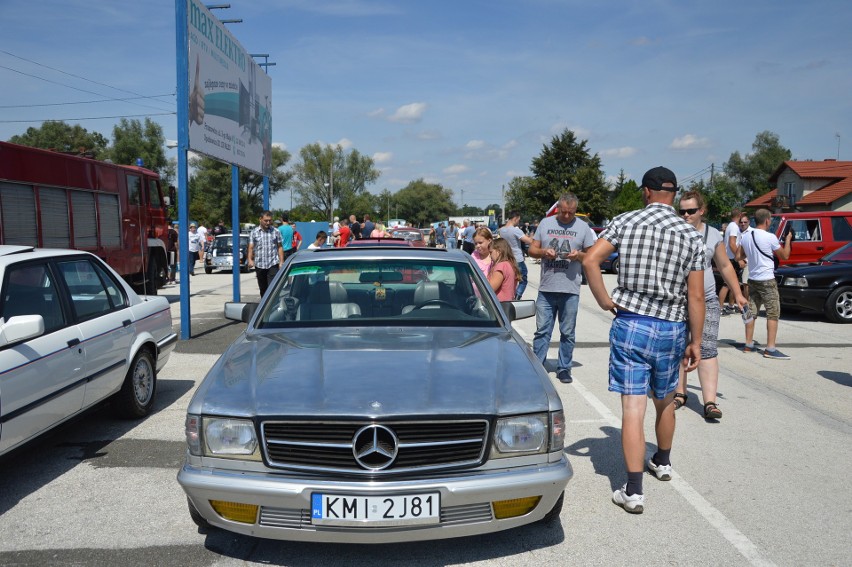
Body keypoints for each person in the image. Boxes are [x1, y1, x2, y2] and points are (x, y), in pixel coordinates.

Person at [583, 166, 705, 514]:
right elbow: (695, 297)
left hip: (632, 322)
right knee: (666, 400)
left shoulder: (626, 222)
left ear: (646, 191)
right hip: (670, 326)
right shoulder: (691, 234)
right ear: (674, 194)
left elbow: (591, 260)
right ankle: (663, 462)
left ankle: (633, 490)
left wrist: (605, 300)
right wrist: (695, 341)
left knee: (633, 408)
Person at [673, 191, 747, 420]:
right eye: (682, 210)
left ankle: (709, 402)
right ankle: (679, 393)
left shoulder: (713, 234)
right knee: (678, 348)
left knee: (707, 348)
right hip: (676, 301)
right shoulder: (673, 232)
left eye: (691, 211)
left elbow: (724, 266)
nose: (686, 215)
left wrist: (737, 293)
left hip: (706, 300)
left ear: (701, 211)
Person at [528, 193, 596, 384]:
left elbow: (591, 256)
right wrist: (543, 252)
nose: (566, 216)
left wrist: (578, 255)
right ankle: (538, 366)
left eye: (571, 213)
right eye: (563, 212)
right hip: (547, 287)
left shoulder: (583, 227)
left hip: (570, 289)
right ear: (558, 208)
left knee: (567, 332)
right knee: (542, 330)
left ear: (575, 210)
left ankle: (564, 367)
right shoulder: (546, 223)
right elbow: (531, 250)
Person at [736, 208, 793, 359]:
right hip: (767, 279)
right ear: (767, 220)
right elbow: (785, 256)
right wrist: (787, 240)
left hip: (753, 278)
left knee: (752, 311)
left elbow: (738, 256)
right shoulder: (770, 237)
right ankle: (770, 349)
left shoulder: (746, 236)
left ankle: (748, 344)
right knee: (773, 312)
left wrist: (749, 257)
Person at [247, 211, 284, 297]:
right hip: (260, 264)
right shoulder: (254, 232)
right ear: (260, 219)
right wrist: (250, 259)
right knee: (263, 288)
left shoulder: (276, 231)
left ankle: (273, 307)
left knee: (273, 287)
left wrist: (281, 261)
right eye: (266, 220)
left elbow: (280, 247)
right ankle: (264, 308)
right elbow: (251, 247)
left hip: (273, 264)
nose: (268, 223)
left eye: (270, 221)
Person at [499, 211, 534, 300]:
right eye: (518, 220)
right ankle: (517, 297)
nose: (518, 222)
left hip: (507, 257)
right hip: (517, 258)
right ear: (515, 218)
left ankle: (510, 295)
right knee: (523, 279)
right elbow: (529, 241)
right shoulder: (515, 230)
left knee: (512, 279)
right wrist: (532, 237)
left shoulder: (502, 230)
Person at [718, 208, 743, 315]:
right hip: (732, 258)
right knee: (727, 284)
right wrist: (739, 257)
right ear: (740, 215)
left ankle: (731, 306)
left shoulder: (730, 226)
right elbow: (732, 243)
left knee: (734, 283)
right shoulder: (733, 227)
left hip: (731, 257)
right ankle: (719, 308)